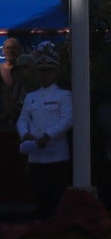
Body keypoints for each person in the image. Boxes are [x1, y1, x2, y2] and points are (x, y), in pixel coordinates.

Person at [17, 50, 73, 220]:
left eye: (48, 70)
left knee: (56, 194)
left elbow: (67, 120)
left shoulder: (64, 95)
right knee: (39, 194)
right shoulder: (31, 97)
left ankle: (57, 225)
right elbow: (22, 120)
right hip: (35, 153)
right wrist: (25, 134)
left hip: (56, 153)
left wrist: (48, 136)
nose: (45, 74)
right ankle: (42, 225)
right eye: (41, 71)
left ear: (55, 73)